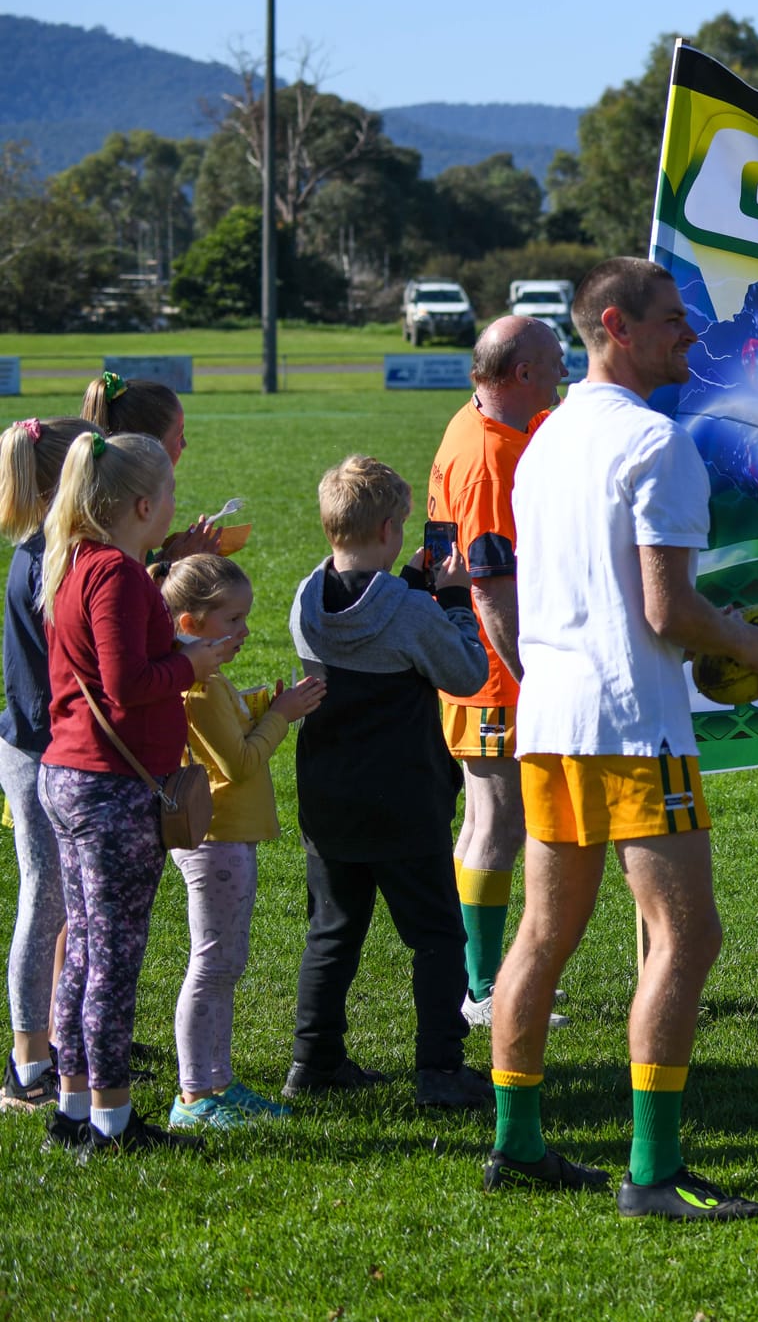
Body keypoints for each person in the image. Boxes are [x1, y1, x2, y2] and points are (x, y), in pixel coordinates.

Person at [485, 257, 758, 1219]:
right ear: (614, 324)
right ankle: (652, 1175)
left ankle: (518, 1145)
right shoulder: (658, 444)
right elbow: (667, 610)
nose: (689, 339)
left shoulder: (542, 443)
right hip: (631, 724)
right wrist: (747, 641)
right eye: (671, 322)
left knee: (544, 932)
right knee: (686, 933)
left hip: (548, 720)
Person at [39, 431, 237, 1155]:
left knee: (88, 947)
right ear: (145, 504)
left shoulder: (75, 560)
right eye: (172, 498)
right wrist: (194, 663)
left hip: (69, 775)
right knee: (113, 957)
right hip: (110, 787)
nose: (177, 508)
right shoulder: (117, 575)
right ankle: (113, 1119)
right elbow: (126, 688)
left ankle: (72, 1103)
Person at [285, 455, 492, 1109]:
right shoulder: (410, 610)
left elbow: (365, 619)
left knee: (333, 931)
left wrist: (409, 585)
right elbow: (464, 672)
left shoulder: (304, 597)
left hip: (328, 794)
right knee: (435, 935)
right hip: (403, 797)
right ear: (382, 528)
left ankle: (311, 1060)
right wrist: (454, 597)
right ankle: (439, 1068)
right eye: (401, 526)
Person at [426, 316, 570, 1031]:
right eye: (554, 360)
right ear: (519, 375)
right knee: (494, 821)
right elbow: (488, 588)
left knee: (490, 822)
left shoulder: (495, 423)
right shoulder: (487, 457)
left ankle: (484, 974)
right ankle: (482, 987)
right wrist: (530, 677)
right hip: (490, 670)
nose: (565, 367)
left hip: (482, 662)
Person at [155, 555, 325, 1128]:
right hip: (216, 840)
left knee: (223, 963)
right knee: (212, 964)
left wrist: (254, 705)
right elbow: (240, 760)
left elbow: (224, 730)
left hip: (225, 838)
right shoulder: (198, 687)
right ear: (192, 621)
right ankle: (196, 1095)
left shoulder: (204, 677)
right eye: (234, 618)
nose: (245, 630)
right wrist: (281, 714)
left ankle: (217, 1084)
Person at [0, 417, 92, 1111]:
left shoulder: (45, 549)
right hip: (37, 749)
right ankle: (27, 1062)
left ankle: (50, 1048)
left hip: (36, 744)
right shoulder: (43, 560)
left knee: (54, 899)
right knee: (44, 898)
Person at [80, 372, 221, 560]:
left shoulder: (104, 502)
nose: (185, 445)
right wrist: (171, 566)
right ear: (150, 448)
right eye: (179, 436)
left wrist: (168, 559)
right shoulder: (119, 520)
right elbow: (127, 583)